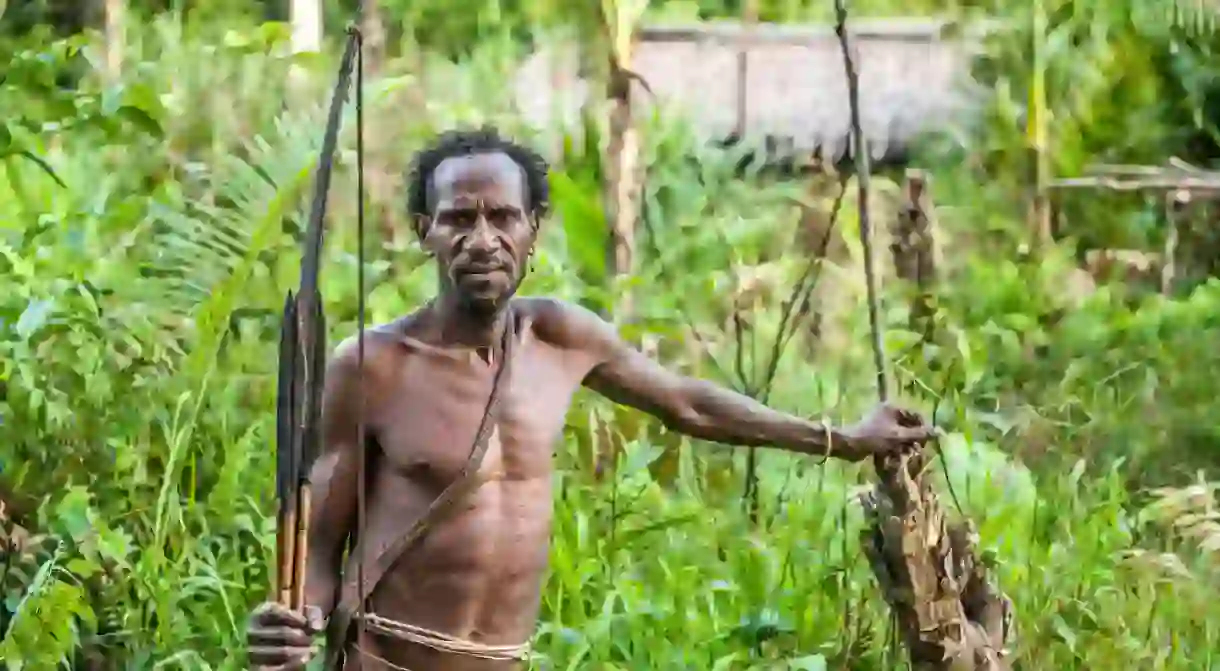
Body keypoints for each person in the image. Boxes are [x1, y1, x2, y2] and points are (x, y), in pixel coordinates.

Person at [246, 127, 936, 671]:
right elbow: (320, 537)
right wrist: (294, 623)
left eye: (502, 217)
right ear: (425, 230)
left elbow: (688, 403)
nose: (481, 239)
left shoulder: (560, 336)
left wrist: (841, 438)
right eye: (459, 218)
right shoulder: (374, 366)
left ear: (533, 230)